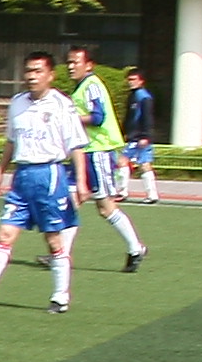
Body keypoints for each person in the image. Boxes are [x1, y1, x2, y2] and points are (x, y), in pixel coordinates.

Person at [0, 53, 93, 312]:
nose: (32, 76)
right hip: (22, 178)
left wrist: (82, 182)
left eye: (38, 71)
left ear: (50, 75)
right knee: (4, 234)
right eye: (29, 71)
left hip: (50, 176)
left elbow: (77, 146)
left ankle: (60, 296)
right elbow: (11, 141)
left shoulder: (62, 105)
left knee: (53, 240)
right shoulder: (17, 102)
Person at [60, 42, 149, 270]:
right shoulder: (81, 87)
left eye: (75, 62)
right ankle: (61, 255)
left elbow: (97, 117)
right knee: (70, 202)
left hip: (97, 152)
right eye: (68, 61)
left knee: (105, 207)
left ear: (89, 65)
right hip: (82, 153)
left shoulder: (91, 85)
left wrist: (69, 118)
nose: (70, 66)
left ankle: (135, 248)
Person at [116, 67, 163, 201]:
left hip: (140, 137)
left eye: (133, 79)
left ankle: (127, 192)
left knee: (134, 163)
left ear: (141, 81)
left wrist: (145, 136)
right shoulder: (133, 96)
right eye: (129, 80)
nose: (130, 82)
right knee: (130, 162)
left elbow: (147, 118)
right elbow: (129, 117)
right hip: (134, 136)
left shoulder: (144, 97)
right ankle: (144, 194)